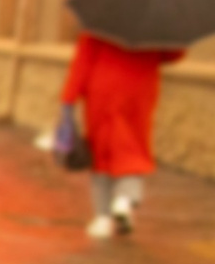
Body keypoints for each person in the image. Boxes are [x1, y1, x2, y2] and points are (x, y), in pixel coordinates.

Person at [62, 30, 185, 238]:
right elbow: (172, 55)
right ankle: (126, 199)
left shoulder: (99, 24)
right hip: (139, 92)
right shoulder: (153, 24)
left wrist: (69, 98)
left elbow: (83, 62)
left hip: (102, 89)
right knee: (132, 148)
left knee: (102, 153)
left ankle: (102, 217)